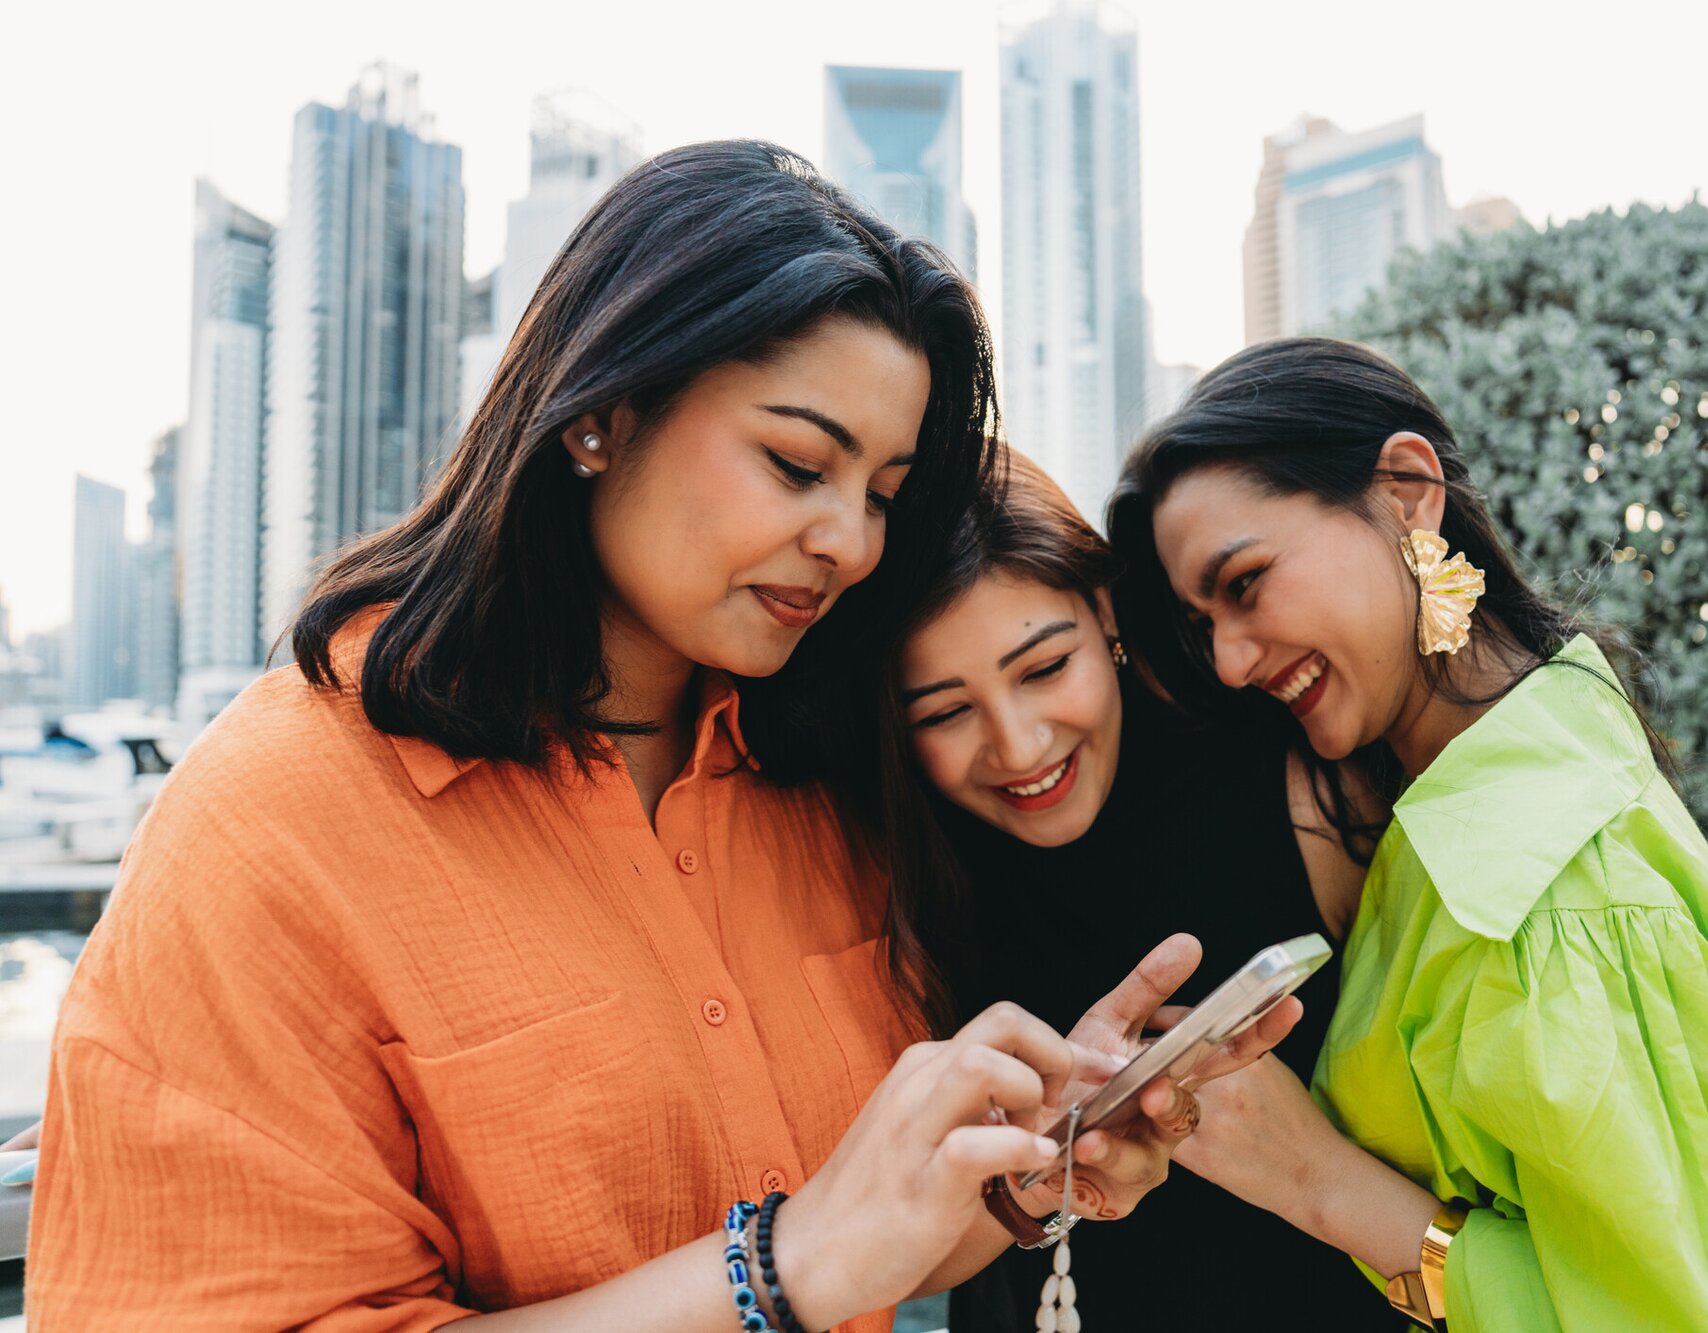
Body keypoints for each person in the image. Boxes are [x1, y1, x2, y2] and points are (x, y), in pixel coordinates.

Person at [26, 142, 1292, 1333]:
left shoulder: (820, 777)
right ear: (601, 416)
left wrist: (1025, 1172)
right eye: (799, 465)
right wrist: (772, 1271)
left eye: (882, 498)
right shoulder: (271, 827)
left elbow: (868, 1236)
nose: (851, 542)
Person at [1104, 337, 1708, 1331]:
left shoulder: (1560, 885)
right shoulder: (1454, 796)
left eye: (1246, 583)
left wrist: (1312, 1176)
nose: (1226, 659)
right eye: (1200, 620)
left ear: (1406, 493)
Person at [871, 453, 1403, 1333]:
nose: (1018, 744)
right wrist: (1034, 1169)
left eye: (1044, 668)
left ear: (1105, 610)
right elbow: (887, 1257)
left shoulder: (1297, 785)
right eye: (943, 711)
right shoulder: (898, 871)